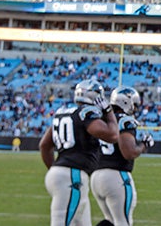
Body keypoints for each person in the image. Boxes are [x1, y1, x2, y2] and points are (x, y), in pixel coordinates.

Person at [39, 79, 119, 226]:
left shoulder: (63, 112)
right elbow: (113, 135)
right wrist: (109, 112)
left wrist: (55, 170)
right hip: (72, 175)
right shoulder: (86, 113)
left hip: (63, 173)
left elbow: (44, 145)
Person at [90, 86, 154, 226]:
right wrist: (144, 145)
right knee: (122, 222)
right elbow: (129, 152)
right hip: (116, 176)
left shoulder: (101, 119)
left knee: (110, 221)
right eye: (134, 105)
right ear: (126, 102)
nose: (135, 109)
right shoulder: (124, 120)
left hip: (96, 176)